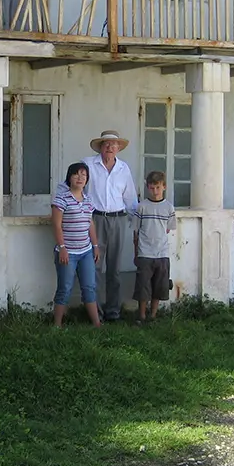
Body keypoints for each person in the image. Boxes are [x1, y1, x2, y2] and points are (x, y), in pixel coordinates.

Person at [82, 130, 138, 322]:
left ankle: (113, 311)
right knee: (94, 266)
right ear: (101, 146)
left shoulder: (123, 168)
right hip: (95, 219)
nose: (110, 148)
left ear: (119, 148)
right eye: (107, 144)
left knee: (114, 268)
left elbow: (130, 197)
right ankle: (95, 312)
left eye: (114, 145)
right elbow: (77, 185)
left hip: (118, 219)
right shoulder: (88, 164)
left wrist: (137, 221)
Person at [51, 162, 102, 327]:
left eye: (84, 175)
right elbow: (57, 225)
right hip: (68, 252)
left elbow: (90, 224)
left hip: (86, 251)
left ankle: (96, 324)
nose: (80, 178)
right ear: (69, 177)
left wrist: (95, 246)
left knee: (89, 287)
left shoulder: (88, 200)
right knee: (65, 288)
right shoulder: (61, 199)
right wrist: (62, 248)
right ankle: (57, 325)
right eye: (76, 174)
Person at [132, 170, 177, 324]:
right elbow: (136, 232)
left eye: (158, 187)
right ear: (147, 187)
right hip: (145, 252)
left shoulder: (169, 208)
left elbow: (168, 228)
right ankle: (142, 315)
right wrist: (136, 253)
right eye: (151, 188)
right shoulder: (141, 207)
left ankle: (153, 315)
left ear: (164, 187)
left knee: (159, 285)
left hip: (162, 252)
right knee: (143, 285)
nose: (155, 191)